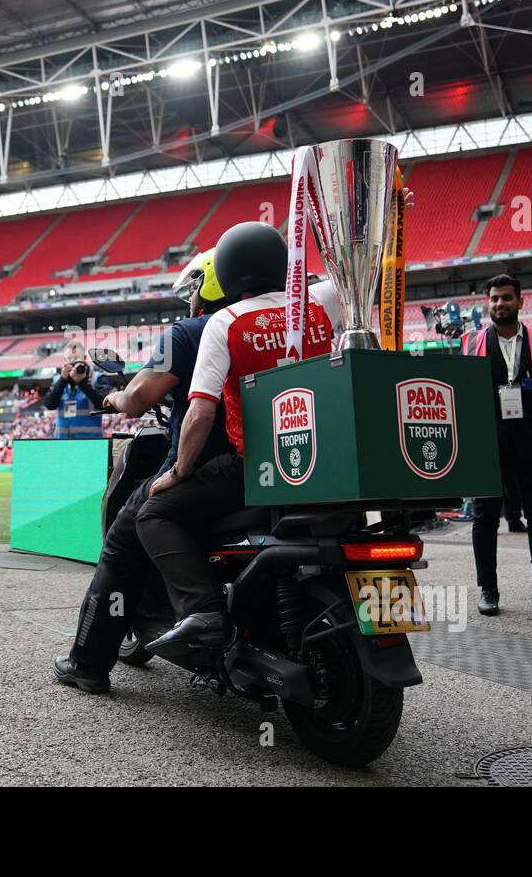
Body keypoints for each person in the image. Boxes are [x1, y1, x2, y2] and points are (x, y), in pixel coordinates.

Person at [135, 222, 340, 650]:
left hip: (258, 465)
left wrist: (180, 469)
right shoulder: (322, 301)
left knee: (154, 513)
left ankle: (204, 611)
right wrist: (391, 213)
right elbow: (370, 273)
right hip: (323, 458)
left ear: (225, 275)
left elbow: (201, 410)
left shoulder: (223, 322)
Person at [54, 251, 232, 693]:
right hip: (262, 468)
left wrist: (116, 398)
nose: (189, 301)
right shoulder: (265, 327)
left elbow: (139, 395)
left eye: (193, 291)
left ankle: (88, 664)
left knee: (120, 544)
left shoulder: (188, 331)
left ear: (206, 288)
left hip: (199, 466)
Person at [461, 273, 532, 617]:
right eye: (494, 298)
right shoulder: (470, 343)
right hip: (488, 443)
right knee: (484, 519)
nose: (500, 304)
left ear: (520, 301)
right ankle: (488, 590)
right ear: (488, 303)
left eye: (506, 297)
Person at [43, 357, 107, 439]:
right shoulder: (59, 381)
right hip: (63, 441)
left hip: (90, 442)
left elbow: (103, 404)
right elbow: (49, 404)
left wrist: (83, 382)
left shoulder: (97, 378)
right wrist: (62, 380)